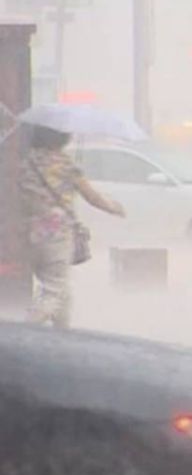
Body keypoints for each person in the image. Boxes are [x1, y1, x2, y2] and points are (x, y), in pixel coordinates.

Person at [19, 125, 125, 328]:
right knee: (53, 290)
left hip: (31, 233)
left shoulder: (26, 163)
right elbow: (92, 197)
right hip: (57, 233)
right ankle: (26, 330)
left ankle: (63, 333)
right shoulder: (65, 165)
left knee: (62, 289)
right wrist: (114, 208)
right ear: (62, 138)